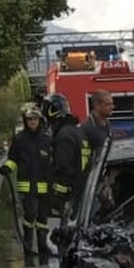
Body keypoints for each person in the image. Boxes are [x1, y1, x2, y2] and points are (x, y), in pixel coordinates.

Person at [1, 103, 53, 262]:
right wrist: (7, 168)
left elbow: (54, 161)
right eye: (29, 119)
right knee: (30, 215)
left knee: (43, 218)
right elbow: (13, 159)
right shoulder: (20, 139)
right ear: (25, 120)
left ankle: (43, 246)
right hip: (27, 186)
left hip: (45, 186)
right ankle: (28, 245)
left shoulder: (47, 139)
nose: (32, 122)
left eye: (35, 119)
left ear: (40, 120)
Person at [44, 92, 90, 226]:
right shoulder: (77, 132)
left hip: (69, 197)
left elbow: (63, 167)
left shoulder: (64, 136)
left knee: (62, 233)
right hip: (82, 192)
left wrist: (58, 197)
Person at [80, 90, 115, 213]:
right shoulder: (87, 128)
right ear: (97, 105)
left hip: (106, 179)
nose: (112, 107)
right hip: (93, 183)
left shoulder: (107, 125)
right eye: (108, 104)